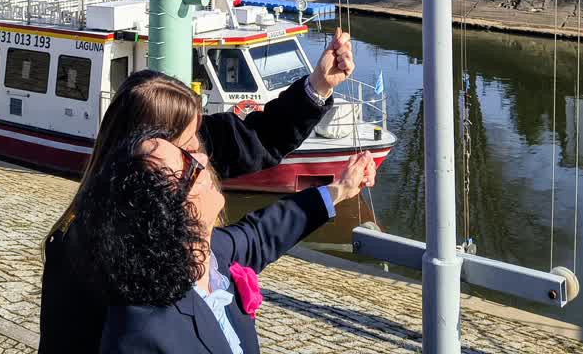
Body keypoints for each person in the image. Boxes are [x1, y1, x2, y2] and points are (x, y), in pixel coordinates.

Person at [37, 30, 356, 353]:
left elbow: (257, 139)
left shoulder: (202, 224)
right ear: (147, 159)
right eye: (191, 147)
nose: (205, 156)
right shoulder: (78, 252)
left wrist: (318, 87)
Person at [81, 132, 377, 354]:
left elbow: (263, 232)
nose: (204, 158)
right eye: (188, 164)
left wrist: (340, 189)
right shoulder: (140, 336)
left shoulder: (211, 254)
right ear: (169, 211)